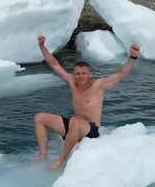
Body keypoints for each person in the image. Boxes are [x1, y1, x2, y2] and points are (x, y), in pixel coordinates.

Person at [30, 34, 140, 170]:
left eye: (83, 74)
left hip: (90, 129)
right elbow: (54, 64)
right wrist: (42, 46)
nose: (80, 76)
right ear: (74, 74)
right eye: (77, 74)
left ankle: (60, 160)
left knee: (75, 121)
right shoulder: (71, 81)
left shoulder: (99, 86)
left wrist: (132, 57)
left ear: (89, 75)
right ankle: (43, 154)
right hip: (74, 126)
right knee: (39, 118)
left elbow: (119, 75)